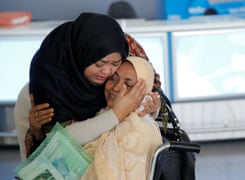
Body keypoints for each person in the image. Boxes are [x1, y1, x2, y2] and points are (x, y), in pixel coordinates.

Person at [14, 12, 160, 161]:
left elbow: (149, 85)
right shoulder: (50, 78)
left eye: (115, 64)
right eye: (99, 64)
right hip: (42, 110)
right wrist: (117, 114)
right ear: (82, 55)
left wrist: (151, 107)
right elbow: (60, 139)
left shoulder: (123, 46)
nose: (107, 72)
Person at [82, 56, 162, 179]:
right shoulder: (105, 115)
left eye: (128, 84)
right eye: (113, 78)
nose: (116, 87)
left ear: (144, 92)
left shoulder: (136, 132)